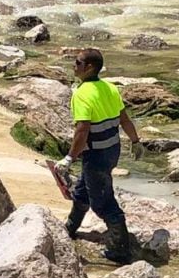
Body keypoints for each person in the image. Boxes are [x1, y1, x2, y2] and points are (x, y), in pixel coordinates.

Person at [57, 47, 145, 265]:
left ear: (89, 67)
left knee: (103, 203)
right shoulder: (109, 88)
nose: (74, 65)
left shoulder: (82, 94)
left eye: (77, 63)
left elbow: (82, 130)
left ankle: (119, 250)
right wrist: (135, 141)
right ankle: (69, 228)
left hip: (96, 155)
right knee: (83, 191)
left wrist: (69, 158)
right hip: (112, 150)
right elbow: (124, 119)